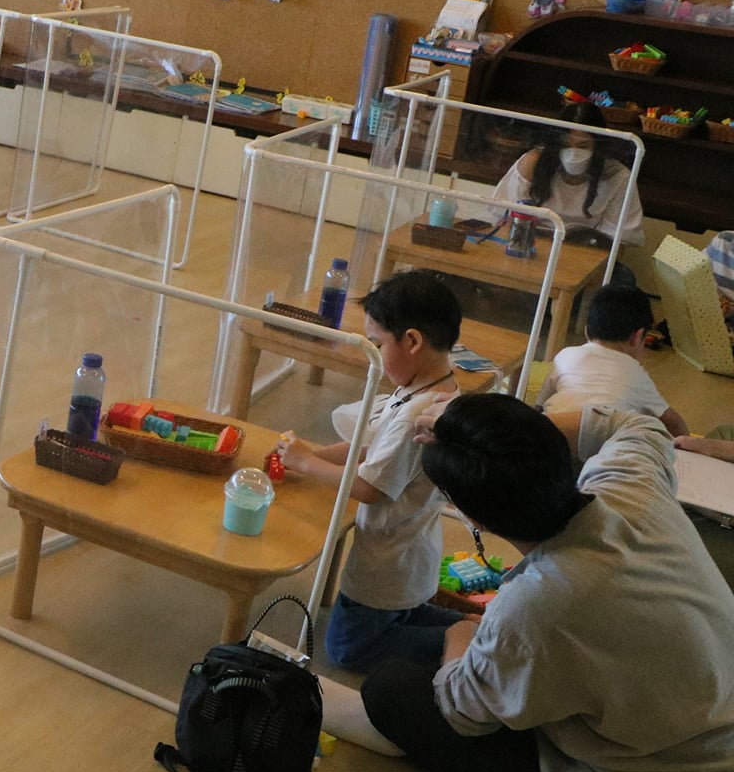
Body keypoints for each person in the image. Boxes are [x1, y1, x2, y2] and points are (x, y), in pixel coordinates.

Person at [362, 397, 734, 772]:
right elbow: (635, 423)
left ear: (475, 518)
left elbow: (462, 713)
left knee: (391, 688)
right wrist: (492, 435)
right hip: (707, 758)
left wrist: (459, 638)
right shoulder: (631, 485)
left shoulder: (538, 607)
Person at [281, 272, 464, 670]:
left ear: (412, 341)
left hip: (388, 563)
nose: (375, 358)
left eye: (378, 344)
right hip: (410, 555)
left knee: (348, 649)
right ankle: (463, 627)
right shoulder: (429, 390)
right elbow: (371, 449)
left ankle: (459, 637)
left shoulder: (416, 412)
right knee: (400, 615)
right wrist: (312, 454)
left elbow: (369, 487)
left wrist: (307, 463)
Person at [489, 103, 644, 249]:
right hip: (530, 246)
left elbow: (617, 242)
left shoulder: (617, 176)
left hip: (585, 252)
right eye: (565, 145)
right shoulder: (533, 163)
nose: (573, 153)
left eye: (583, 146)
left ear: (598, 146)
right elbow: (506, 221)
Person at [540, 283, 687, 436]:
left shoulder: (565, 355)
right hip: (607, 441)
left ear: (586, 330)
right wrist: (686, 443)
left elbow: (539, 405)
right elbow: (673, 422)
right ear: (637, 337)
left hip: (554, 434)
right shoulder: (635, 373)